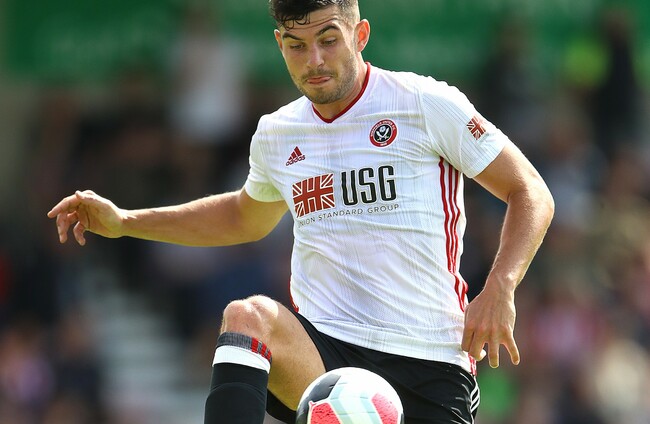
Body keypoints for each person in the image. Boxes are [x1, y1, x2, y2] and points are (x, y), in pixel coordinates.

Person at [47, 1, 554, 423]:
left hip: (429, 363)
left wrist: (500, 286)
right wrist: (126, 222)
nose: (314, 59)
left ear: (360, 34)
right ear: (279, 45)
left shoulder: (424, 103)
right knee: (247, 317)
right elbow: (243, 217)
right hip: (326, 356)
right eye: (296, 45)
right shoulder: (277, 133)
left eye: (328, 40)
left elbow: (530, 191)